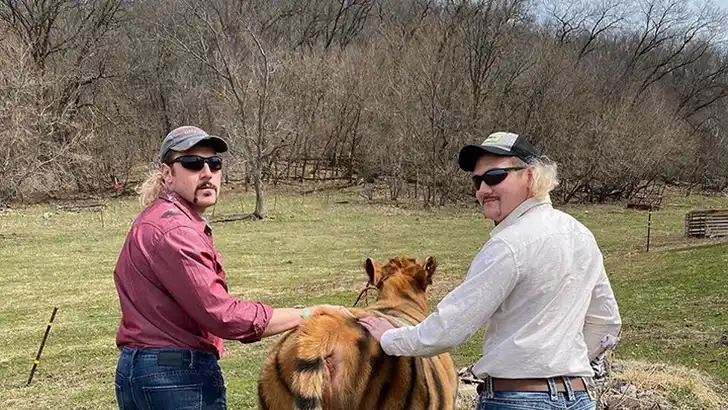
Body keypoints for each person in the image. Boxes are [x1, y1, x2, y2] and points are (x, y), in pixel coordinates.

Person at [359, 131, 622, 410]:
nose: (483, 190)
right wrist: (563, 366)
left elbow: (449, 328)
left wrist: (390, 338)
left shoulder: (509, 244)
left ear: (530, 176)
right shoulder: (581, 235)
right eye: (477, 180)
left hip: (518, 400)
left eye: (495, 176)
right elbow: (606, 321)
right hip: (579, 397)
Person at [113, 125, 340, 410]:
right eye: (193, 163)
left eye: (215, 163)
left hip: (139, 370)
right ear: (167, 173)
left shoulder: (154, 219)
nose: (207, 173)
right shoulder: (176, 231)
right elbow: (222, 315)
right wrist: (308, 314)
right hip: (175, 376)